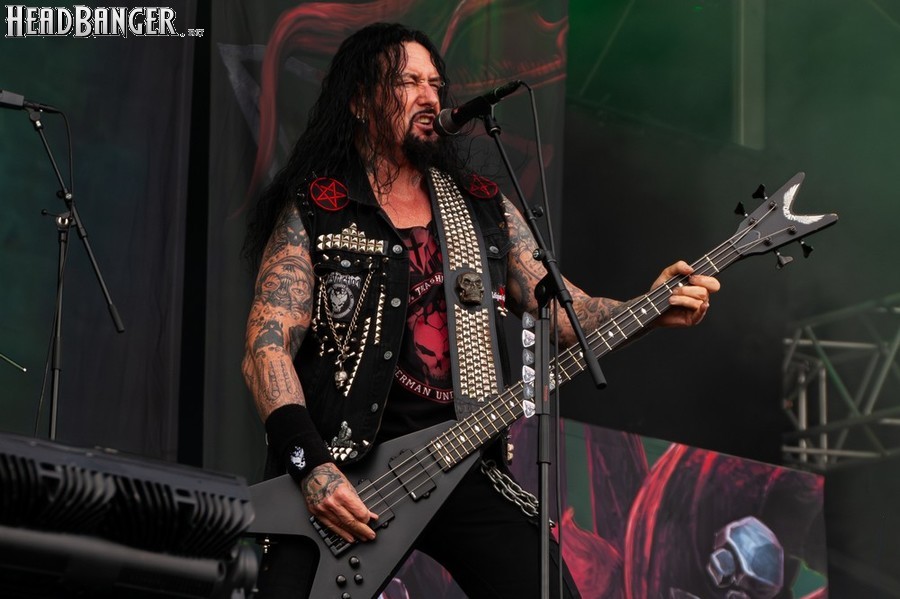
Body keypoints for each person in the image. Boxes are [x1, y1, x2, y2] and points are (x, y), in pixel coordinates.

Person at [241, 22, 720, 599]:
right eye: (408, 82)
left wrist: (649, 307)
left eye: (435, 84)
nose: (429, 97)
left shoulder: (480, 208)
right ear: (360, 101)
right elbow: (266, 349)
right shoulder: (321, 208)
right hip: (341, 467)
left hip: (461, 458)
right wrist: (311, 466)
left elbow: (566, 315)